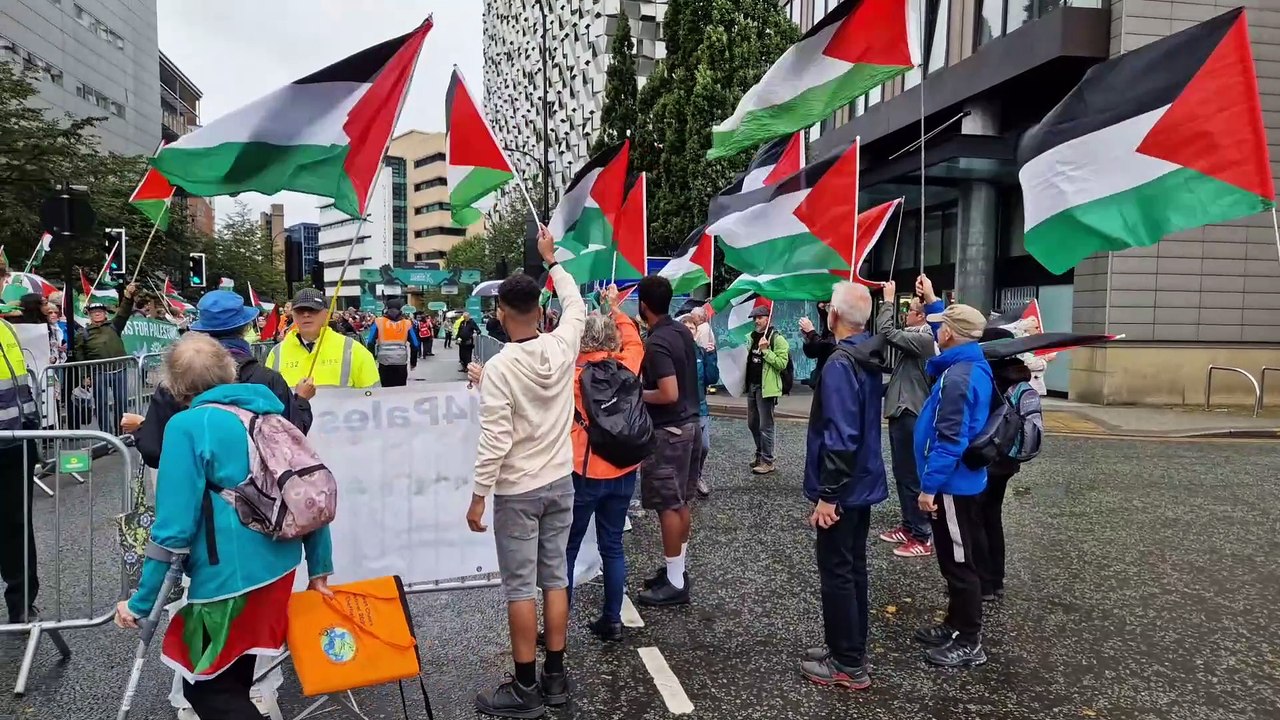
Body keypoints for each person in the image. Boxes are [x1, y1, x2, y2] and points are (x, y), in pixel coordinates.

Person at [113, 334, 334, 719]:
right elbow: (306, 493)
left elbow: (172, 529)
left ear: (175, 385)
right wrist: (319, 567)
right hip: (279, 567)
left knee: (208, 693)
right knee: (233, 680)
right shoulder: (270, 415)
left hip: (227, 579)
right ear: (229, 369)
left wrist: (141, 602)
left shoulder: (185, 426)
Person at [466, 226, 584, 717]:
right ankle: (555, 680)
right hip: (561, 481)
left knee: (520, 588)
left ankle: (524, 687)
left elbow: (496, 438)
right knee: (554, 579)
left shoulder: (500, 367)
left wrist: (477, 496)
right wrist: (551, 260)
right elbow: (576, 303)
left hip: (517, 490)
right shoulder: (562, 346)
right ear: (539, 309)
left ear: (499, 313)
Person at [799, 282, 886, 689]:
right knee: (853, 568)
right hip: (863, 481)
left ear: (833, 315)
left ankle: (848, 663)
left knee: (837, 571)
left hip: (843, 487)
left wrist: (827, 495)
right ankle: (848, 648)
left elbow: (840, 433)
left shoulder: (839, 363)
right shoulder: (866, 354)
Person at [912, 303, 994, 668]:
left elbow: (949, 439)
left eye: (941, 326)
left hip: (952, 486)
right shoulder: (968, 364)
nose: (937, 332)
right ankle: (955, 625)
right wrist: (932, 302)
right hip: (959, 482)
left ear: (950, 334)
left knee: (960, 564)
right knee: (954, 559)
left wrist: (929, 487)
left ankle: (970, 640)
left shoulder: (959, 376)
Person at [564, 284, 644, 642]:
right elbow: (635, 341)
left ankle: (556, 625)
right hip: (625, 468)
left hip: (583, 470)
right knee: (612, 545)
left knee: (566, 548)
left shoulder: (569, 374)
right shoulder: (627, 365)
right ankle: (612, 619)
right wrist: (615, 309)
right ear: (611, 340)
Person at [635, 275, 702, 607]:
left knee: (668, 505)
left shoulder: (658, 342)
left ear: (643, 305)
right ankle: (677, 569)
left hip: (670, 432)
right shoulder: (679, 331)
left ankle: (675, 582)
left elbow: (668, 392)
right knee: (682, 501)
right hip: (691, 426)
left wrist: (637, 393)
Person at [876, 277, 945, 559]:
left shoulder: (926, 339)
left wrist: (886, 301)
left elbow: (886, 332)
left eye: (910, 310)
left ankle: (921, 534)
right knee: (903, 474)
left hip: (912, 413)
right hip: (901, 411)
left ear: (921, 316)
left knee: (912, 475)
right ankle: (908, 525)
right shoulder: (919, 339)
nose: (906, 314)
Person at [975, 326, 1032, 603]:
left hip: (986, 458)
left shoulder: (990, 378)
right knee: (993, 517)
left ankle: (983, 583)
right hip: (1007, 460)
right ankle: (996, 580)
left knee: (977, 518)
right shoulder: (1019, 378)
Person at [0, 316, 40, 624]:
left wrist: (31, 428)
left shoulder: (6, 327)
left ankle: (22, 603)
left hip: (16, 442)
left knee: (17, 524)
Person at [265, 288, 379, 390]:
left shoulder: (354, 350)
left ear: (326, 314)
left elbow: (373, 399)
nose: (306, 315)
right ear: (293, 314)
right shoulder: (276, 354)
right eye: (300, 310)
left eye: (313, 310)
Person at [74, 283, 138, 436]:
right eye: (93, 312)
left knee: (121, 404)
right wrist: (84, 377)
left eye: (100, 311)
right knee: (101, 405)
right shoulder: (83, 334)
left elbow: (123, 313)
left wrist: (128, 297)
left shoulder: (114, 326)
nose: (97, 314)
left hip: (119, 370)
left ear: (105, 314)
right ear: (89, 315)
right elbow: (79, 356)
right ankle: (107, 436)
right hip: (99, 373)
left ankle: (122, 433)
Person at [745, 305, 789, 475]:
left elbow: (781, 364)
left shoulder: (777, 339)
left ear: (768, 318)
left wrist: (766, 351)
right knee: (752, 424)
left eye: (760, 317)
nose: (756, 321)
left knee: (766, 425)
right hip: (752, 386)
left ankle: (767, 460)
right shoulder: (750, 337)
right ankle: (759, 453)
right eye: (754, 318)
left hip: (767, 388)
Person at [680, 314, 720, 498]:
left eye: (692, 328)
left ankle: (696, 476)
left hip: (701, 408)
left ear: (696, 333)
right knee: (684, 448)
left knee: (703, 446)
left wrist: (712, 356)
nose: (689, 331)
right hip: (682, 410)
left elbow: (711, 378)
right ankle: (683, 480)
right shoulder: (676, 351)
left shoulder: (701, 352)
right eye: (686, 328)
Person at [365, 299, 419, 387]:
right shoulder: (407, 323)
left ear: (387, 308)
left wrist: (373, 359)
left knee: (386, 390)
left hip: (384, 362)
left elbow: (370, 341)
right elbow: (415, 344)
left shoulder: (378, 321)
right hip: (400, 362)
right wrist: (413, 363)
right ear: (400, 309)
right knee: (400, 391)